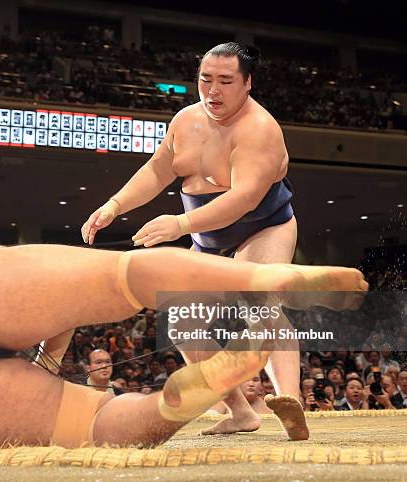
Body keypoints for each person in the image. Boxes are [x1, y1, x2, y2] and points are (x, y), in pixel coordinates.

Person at [0, 239, 366, 450]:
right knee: (118, 275)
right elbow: (24, 280)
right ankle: (262, 277)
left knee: (104, 426)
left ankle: (175, 401)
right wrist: (48, 357)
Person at [82, 42, 309, 439]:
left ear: (247, 83)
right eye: (206, 79)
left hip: (264, 224)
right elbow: (157, 170)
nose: (213, 90)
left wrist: (180, 224)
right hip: (206, 235)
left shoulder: (260, 130)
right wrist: (115, 205)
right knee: (181, 317)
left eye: (226, 81)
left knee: (258, 295)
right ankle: (239, 411)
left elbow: (244, 199)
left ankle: (289, 398)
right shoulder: (185, 120)